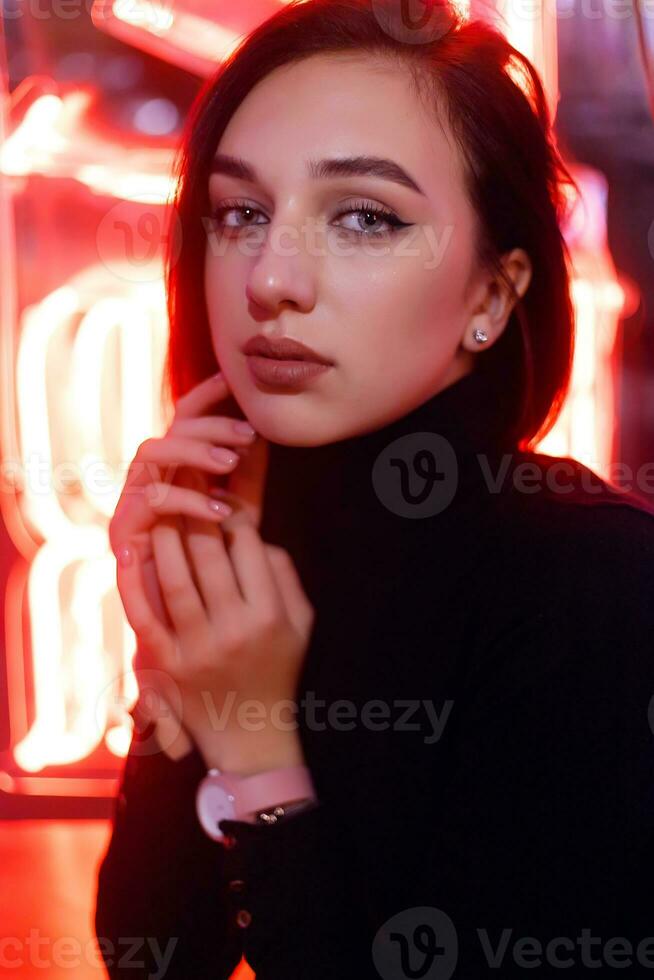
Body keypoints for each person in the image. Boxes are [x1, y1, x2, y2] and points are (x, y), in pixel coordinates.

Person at [94, 0, 654, 977]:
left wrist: (259, 749)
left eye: (364, 217)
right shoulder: (254, 548)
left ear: (492, 292)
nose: (271, 278)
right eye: (241, 213)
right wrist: (172, 677)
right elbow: (155, 954)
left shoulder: (599, 581)